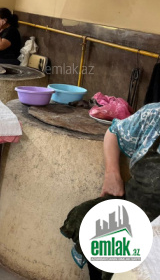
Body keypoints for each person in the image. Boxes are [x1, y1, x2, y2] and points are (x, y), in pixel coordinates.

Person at [61, 103, 160, 279]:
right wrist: (112, 174)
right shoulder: (154, 115)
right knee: (86, 219)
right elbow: (114, 132)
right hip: (134, 206)